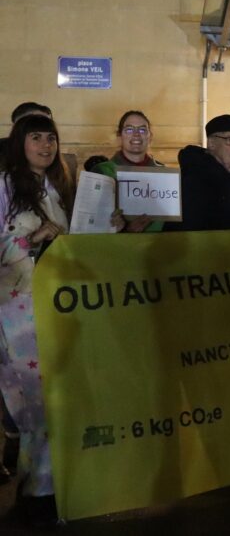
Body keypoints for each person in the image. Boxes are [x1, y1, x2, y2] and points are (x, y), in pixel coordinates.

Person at [0, 114, 75, 525]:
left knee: (52, 401)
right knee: (34, 403)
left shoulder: (56, 188)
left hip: (53, 306)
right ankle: (37, 494)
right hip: (17, 311)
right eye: (36, 138)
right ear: (20, 143)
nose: (45, 145)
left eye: (51, 138)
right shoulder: (5, 188)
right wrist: (32, 239)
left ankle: (45, 489)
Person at [94, 110, 165, 233]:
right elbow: (92, 222)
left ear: (150, 136)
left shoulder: (164, 174)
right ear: (119, 136)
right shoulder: (102, 172)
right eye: (129, 130)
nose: (136, 134)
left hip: (157, 247)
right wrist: (125, 231)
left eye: (142, 130)